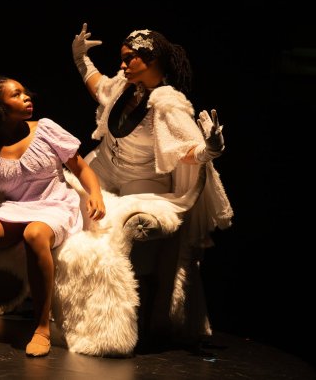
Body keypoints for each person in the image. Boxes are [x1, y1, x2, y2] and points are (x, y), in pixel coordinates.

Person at [70, 23, 234, 343]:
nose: (122, 64)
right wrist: (81, 60)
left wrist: (208, 149)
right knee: (66, 206)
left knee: (122, 228)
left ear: (152, 59)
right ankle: (77, 307)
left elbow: (185, 150)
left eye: (129, 58)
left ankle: (135, 319)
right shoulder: (125, 84)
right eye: (122, 58)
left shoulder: (167, 102)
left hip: (143, 178)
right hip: (105, 166)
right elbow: (99, 87)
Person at [0, 67, 106, 357]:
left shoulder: (46, 129)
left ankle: (41, 327)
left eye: (24, 91)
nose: (27, 97)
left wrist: (96, 194)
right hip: (16, 207)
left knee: (35, 233)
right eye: (16, 95)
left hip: (54, 204)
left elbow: (81, 167)